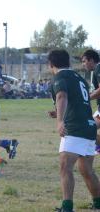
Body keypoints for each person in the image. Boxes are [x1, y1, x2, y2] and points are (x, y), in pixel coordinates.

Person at [48, 49, 100, 212]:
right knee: (86, 170)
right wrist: (59, 113)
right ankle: (98, 203)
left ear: (51, 64)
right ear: (68, 62)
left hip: (75, 128)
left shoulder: (60, 77)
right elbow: (78, 102)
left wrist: (60, 121)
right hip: (88, 126)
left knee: (65, 166)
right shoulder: (79, 78)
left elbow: (62, 96)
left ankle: (67, 207)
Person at [81, 49, 100, 153]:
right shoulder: (96, 70)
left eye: (84, 61)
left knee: (87, 129)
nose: (83, 64)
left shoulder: (98, 68)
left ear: (91, 60)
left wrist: (86, 98)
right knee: (87, 129)